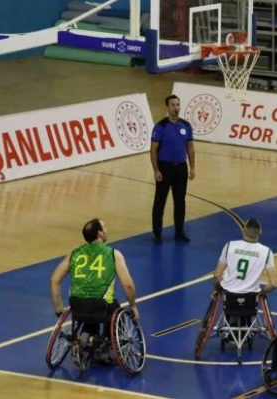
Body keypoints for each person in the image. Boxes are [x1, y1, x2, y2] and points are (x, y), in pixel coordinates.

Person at [50, 219, 139, 364]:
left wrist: (58, 307)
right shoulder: (113, 254)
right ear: (99, 233)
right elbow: (128, 285)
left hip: (76, 306)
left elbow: (54, 280)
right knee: (113, 311)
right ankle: (110, 351)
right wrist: (133, 306)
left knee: (90, 313)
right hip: (100, 306)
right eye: (104, 227)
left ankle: (82, 341)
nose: (106, 230)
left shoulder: (75, 253)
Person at [150, 94, 195, 244]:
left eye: (177, 104)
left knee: (180, 201)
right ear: (167, 107)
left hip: (181, 167)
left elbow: (190, 147)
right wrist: (156, 170)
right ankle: (157, 233)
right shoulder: (160, 126)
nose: (176, 108)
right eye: (173, 105)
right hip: (165, 167)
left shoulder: (186, 125)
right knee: (160, 201)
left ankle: (179, 231)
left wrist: (192, 167)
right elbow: (153, 150)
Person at [212, 218, 277, 297]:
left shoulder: (230, 246)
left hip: (229, 295)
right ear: (260, 233)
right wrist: (263, 292)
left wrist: (218, 290)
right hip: (251, 298)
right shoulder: (267, 252)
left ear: (243, 230)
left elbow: (217, 276)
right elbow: (273, 284)